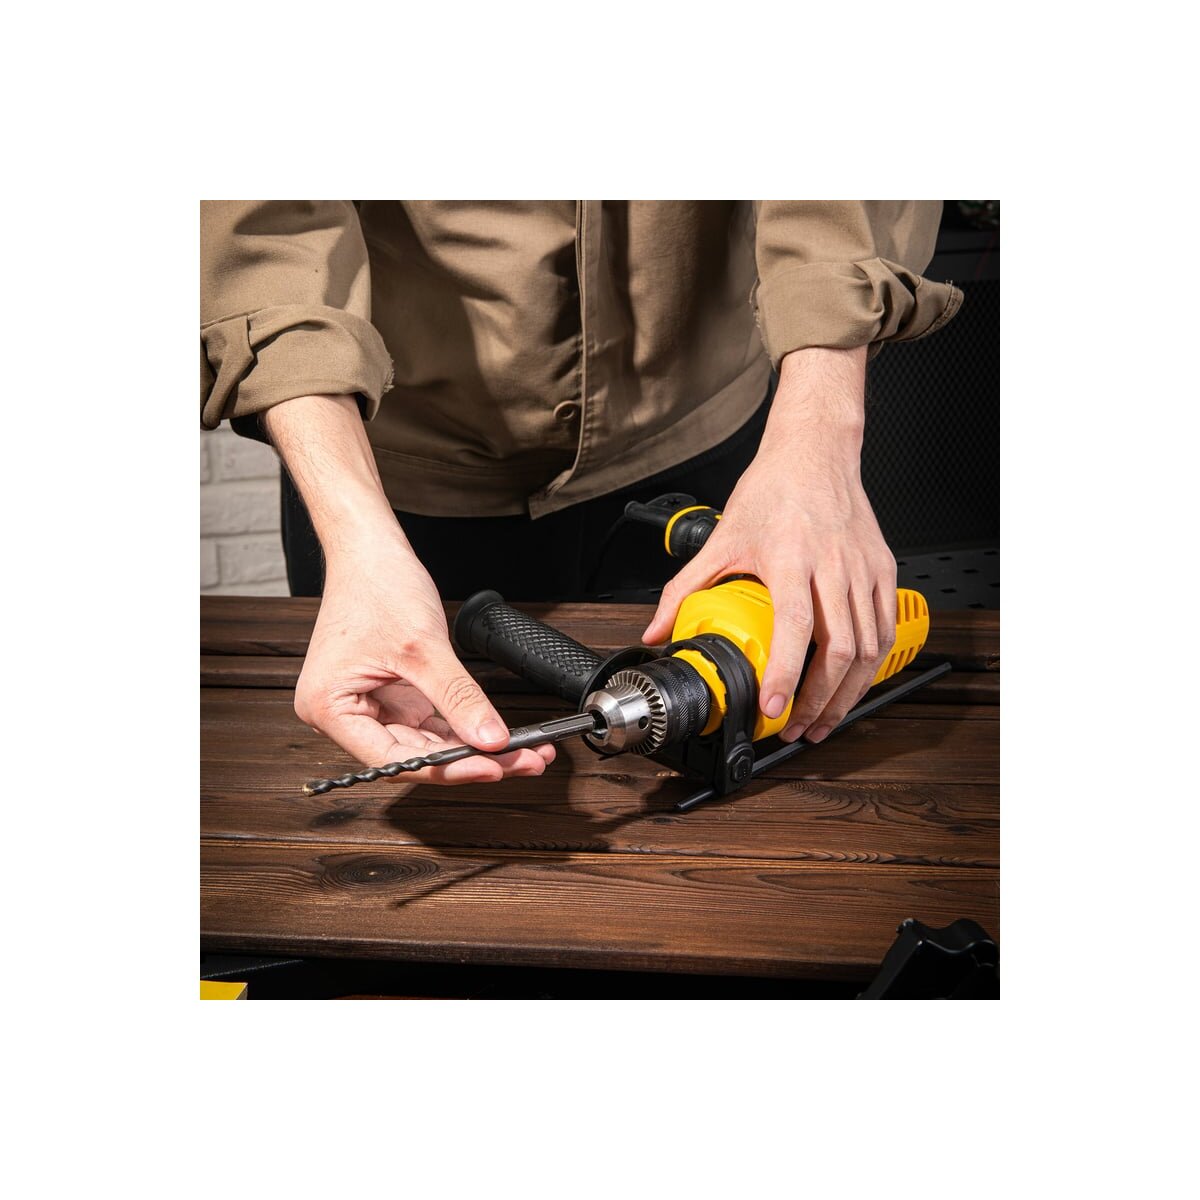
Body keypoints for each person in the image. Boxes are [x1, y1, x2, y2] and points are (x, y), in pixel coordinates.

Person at [201, 201, 961, 786]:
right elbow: (266, 234)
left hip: (702, 428)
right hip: (387, 480)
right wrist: (357, 541)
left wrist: (818, 441)